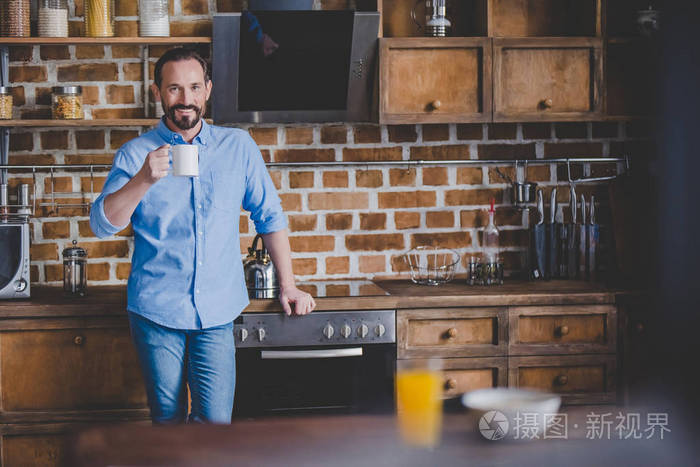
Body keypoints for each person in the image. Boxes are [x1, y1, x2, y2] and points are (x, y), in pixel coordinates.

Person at [89, 47, 316, 424]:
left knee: (215, 424)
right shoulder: (136, 154)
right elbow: (102, 223)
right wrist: (145, 179)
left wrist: (288, 285)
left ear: (207, 89)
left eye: (194, 87)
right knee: (167, 421)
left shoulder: (237, 147)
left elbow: (270, 217)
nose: (185, 99)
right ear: (157, 92)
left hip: (216, 311)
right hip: (156, 310)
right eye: (174, 88)